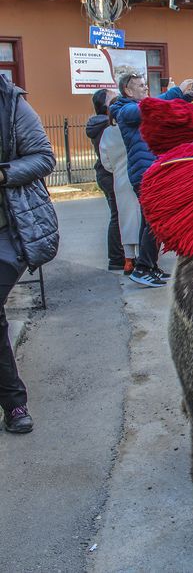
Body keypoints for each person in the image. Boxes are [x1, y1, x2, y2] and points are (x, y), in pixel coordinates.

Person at [0, 75, 58, 434]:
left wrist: (3, 174)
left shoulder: (10, 103)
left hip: (8, 230)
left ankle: (14, 402)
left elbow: (43, 157)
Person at [110, 73, 193, 286]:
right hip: (144, 174)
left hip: (150, 171)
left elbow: (161, 111)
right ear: (127, 90)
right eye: (140, 86)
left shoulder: (135, 109)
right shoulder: (125, 110)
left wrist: (182, 99)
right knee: (155, 222)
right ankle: (144, 268)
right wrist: (176, 91)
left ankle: (148, 266)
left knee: (150, 222)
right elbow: (150, 107)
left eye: (146, 85)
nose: (146, 89)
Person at [86, 89, 125, 271]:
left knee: (118, 214)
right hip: (110, 174)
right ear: (106, 107)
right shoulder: (105, 126)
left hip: (106, 173)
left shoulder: (100, 124)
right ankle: (117, 259)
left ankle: (119, 256)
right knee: (118, 216)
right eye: (114, 99)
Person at [98, 106, 141, 275]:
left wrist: (115, 169)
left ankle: (128, 259)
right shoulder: (133, 129)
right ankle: (142, 256)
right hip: (137, 174)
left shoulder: (108, 132)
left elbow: (105, 160)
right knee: (140, 219)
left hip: (119, 178)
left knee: (125, 218)